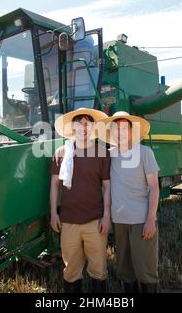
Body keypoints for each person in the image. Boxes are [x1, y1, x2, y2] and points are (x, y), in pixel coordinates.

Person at [97, 111, 160, 293]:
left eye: (124, 127)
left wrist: (150, 219)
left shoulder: (144, 153)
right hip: (119, 220)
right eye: (116, 128)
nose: (120, 132)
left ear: (132, 131)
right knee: (124, 269)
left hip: (141, 219)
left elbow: (154, 187)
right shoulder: (109, 155)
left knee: (145, 268)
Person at [50, 108, 111, 293]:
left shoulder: (102, 153)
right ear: (72, 127)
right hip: (69, 221)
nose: (84, 127)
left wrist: (106, 215)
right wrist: (54, 213)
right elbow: (54, 185)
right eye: (79, 123)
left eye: (88, 123)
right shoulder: (62, 152)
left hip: (95, 220)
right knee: (70, 270)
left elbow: (107, 186)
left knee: (98, 269)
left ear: (93, 127)